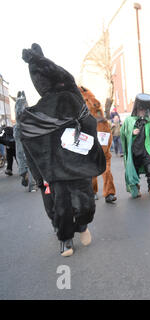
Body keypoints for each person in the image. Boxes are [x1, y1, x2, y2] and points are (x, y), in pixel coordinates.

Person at [21, 43, 106, 257]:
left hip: (78, 163)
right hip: (57, 167)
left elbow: (90, 122)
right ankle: (65, 239)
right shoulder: (42, 108)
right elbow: (30, 133)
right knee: (62, 206)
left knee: (86, 203)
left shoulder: (74, 99)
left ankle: (83, 225)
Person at [79, 86, 117, 204]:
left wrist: (89, 95)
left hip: (102, 144)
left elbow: (97, 106)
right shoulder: (79, 112)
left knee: (107, 170)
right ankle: (93, 191)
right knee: (92, 170)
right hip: (89, 144)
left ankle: (109, 193)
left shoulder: (97, 112)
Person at [120, 93, 150, 199]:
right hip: (134, 151)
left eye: (144, 109)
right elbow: (122, 132)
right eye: (140, 109)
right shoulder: (129, 120)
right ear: (136, 109)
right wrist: (132, 132)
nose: (142, 111)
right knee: (135, 171)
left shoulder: (149, 121)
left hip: (146, 149)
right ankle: (136, 188)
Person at [13, 91, 37, 191]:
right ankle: (32, 184)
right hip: (27, 131)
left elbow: (19, 115)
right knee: (29, 158)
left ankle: (24, 173)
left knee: (20, 155)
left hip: (19, 131)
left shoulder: (18, 107)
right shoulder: (27, 110)